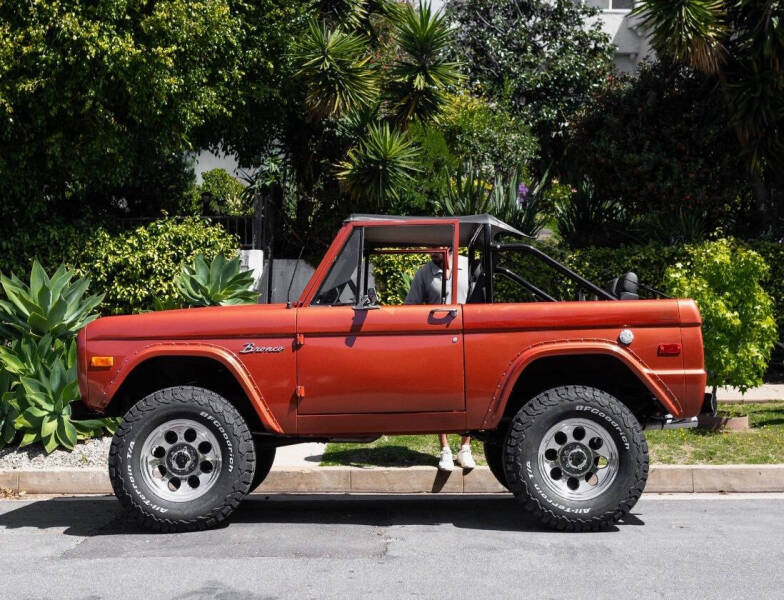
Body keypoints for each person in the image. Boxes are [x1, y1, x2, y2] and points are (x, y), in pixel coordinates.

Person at [404, 249, 475, 471]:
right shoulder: (424, 273)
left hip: (467, 337)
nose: (432, 253)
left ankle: (465, 448)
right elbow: (410, 307)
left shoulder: (469, 267)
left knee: (469, 391)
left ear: (449, 246)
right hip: (439, 340)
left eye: (436, 248)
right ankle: (444, 449)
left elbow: (481, 300)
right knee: (441, 392)